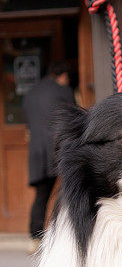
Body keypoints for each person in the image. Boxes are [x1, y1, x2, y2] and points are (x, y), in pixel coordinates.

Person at [23, 61, 76, 242]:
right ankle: (67, 235)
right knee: (70, 191)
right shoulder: (63, 91)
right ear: (64, 77)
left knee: (41, 196)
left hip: (36, 150)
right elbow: (74, 120)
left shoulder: (30, 94)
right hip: (59, 148)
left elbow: (29, 123)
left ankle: (35, 238)